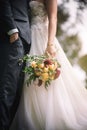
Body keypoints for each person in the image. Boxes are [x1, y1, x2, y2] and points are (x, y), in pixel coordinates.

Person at [10, 0, 87, 130]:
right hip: (28, 37)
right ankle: (33, 117)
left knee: (46, 77)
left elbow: (53, 18)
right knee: (29, 79)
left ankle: (51, 118)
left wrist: (50, 44)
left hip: (43, 38)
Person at [0, 0, 31, 130]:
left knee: (18, 92)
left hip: (26, 41)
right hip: (14, 36)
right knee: (8, 88)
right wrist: (12, 30)